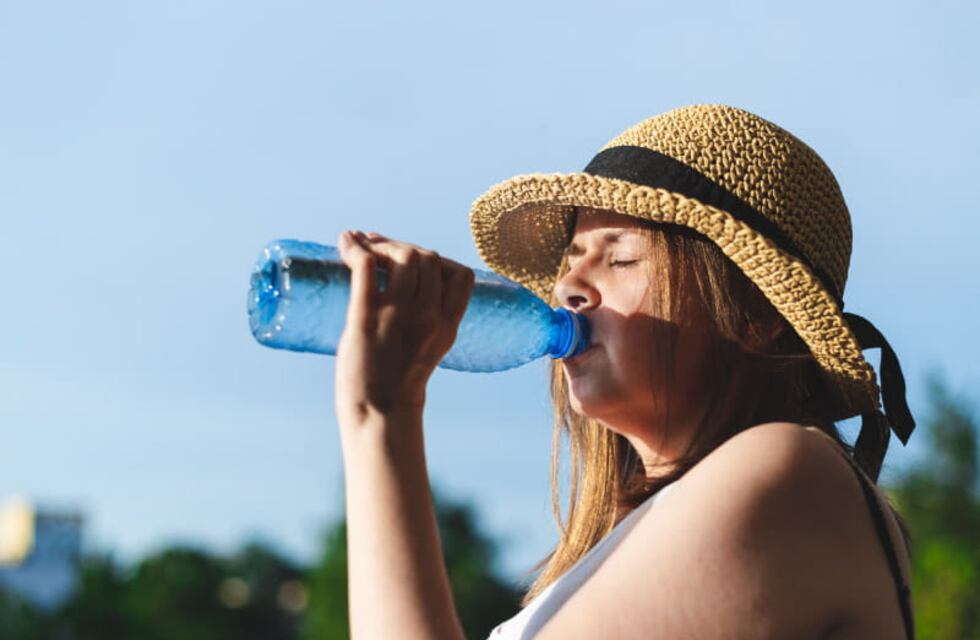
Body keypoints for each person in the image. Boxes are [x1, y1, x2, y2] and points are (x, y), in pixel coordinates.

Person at [333, 104, 917, 639]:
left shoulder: (787, 469)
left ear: (755, 314)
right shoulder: (625, 544)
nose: (566, 288)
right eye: (570, 261)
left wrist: (381, 415)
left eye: (620, 257)